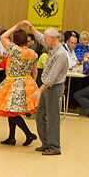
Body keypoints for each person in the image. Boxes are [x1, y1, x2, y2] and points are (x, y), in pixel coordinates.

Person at [0, 22, 38, 146]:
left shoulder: (14, 50)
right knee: (11, 110)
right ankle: (12, 137)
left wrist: (17, 25)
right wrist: (32, 85)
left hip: (13, 82)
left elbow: (3, 37)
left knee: (12, 111)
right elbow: (34, 72)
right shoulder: (33, 53)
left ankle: (29, 134)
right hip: (27, 82)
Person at [29, 26, 66, 155]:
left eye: (46, 38)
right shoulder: (51, 48)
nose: (44, 40)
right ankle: (45, 143)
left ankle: (54, 146)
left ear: (52, 38)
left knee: (52, 117)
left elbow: (52, 77)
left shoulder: (61, 54)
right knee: (40, 115)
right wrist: (30, 27)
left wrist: (39, 90)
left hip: (53, 88)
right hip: (46, 87)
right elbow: (39, 37)